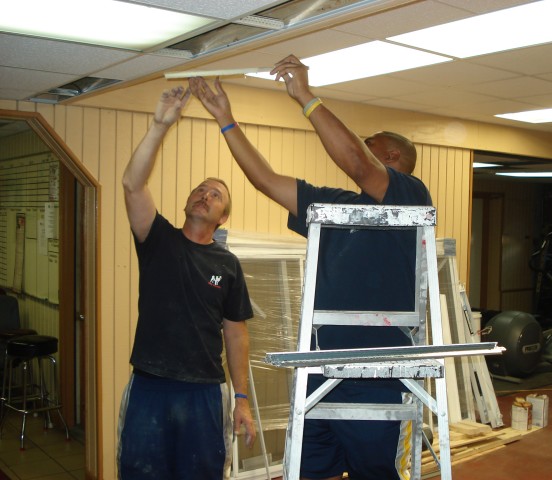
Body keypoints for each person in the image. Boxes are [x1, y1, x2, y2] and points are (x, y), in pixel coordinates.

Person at [189, 53, 433, 480]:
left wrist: (304, 96)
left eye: (369, 145)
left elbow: (358, 162)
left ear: (390, 156)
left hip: (376, 378)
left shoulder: (411, 198)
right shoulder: (335, 207)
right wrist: (226, 120)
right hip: (322, 374)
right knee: (306, 471)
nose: (358, 150)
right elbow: (265, 180)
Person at [118, 85, 256, 480]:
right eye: (200, 190)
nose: (205, 195)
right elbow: (132, 184)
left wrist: (241, 399)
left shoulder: (227, 264)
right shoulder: (157, 238)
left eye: (215, 195)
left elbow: (236, 333)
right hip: (149, 386)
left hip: (203, 392)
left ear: (222, 218)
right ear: (187, 202)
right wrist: (160, 125)